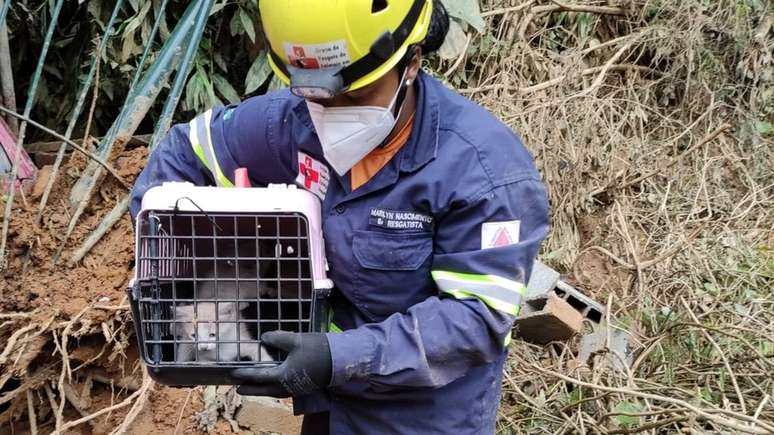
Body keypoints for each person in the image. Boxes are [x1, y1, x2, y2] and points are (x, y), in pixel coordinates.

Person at [129, 0, 550, 433]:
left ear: (411, 63)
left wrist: (337, 357)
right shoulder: (291, 126)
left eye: (357, 93)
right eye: (317, 96)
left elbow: (475, 319)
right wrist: (177, 275)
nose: (333, 114)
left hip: (421, 417)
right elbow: (187, 151)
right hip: (329, 410)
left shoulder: (482, 168)